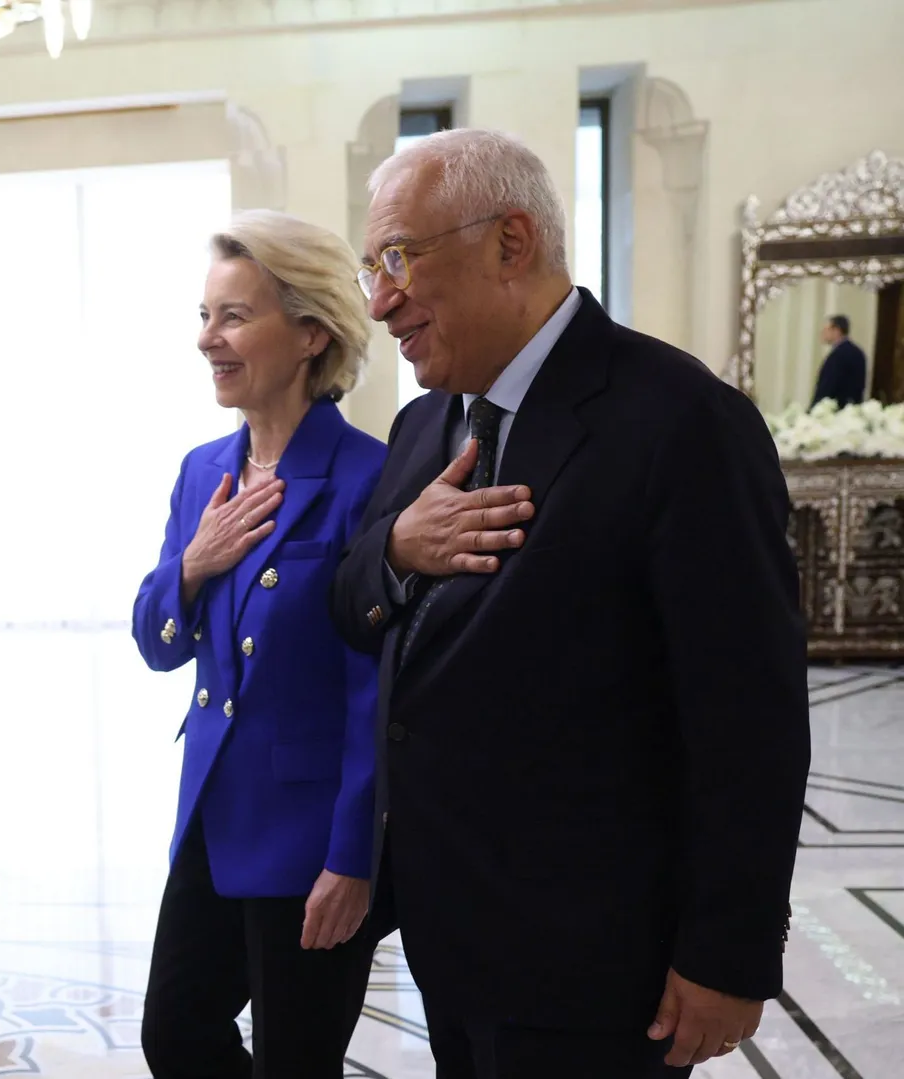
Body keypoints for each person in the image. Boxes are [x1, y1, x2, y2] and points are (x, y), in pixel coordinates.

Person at [330, 128, 808, 1078]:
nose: (380, 302)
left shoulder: (679, 421)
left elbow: (747, 717)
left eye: (399, 258)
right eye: (371, 268)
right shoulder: (424, 425)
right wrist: (395, 548)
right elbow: (352, 607)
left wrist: (728, 952)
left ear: (510, 242)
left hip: (598, 961)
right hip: (452, 936)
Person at [135, 209, 385, 1078]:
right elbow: (157, 641)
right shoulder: (202, 471)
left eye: (234, 316)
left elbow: (376, 692)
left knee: (297, 1062)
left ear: (312, 332)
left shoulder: (368, 479)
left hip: (311, 838)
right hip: (214, 814)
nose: (208, 338)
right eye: (205, 316)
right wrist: (193, 566)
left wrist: (353, 858)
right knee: (174, 1034)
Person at [812, 313, 867, 407]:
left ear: (836, 330)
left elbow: (828, 387)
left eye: (826, 329)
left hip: (834, 409)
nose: (822, 333)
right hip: (851, 409)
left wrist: (815, 408)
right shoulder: (857, 352)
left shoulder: (838, 356)